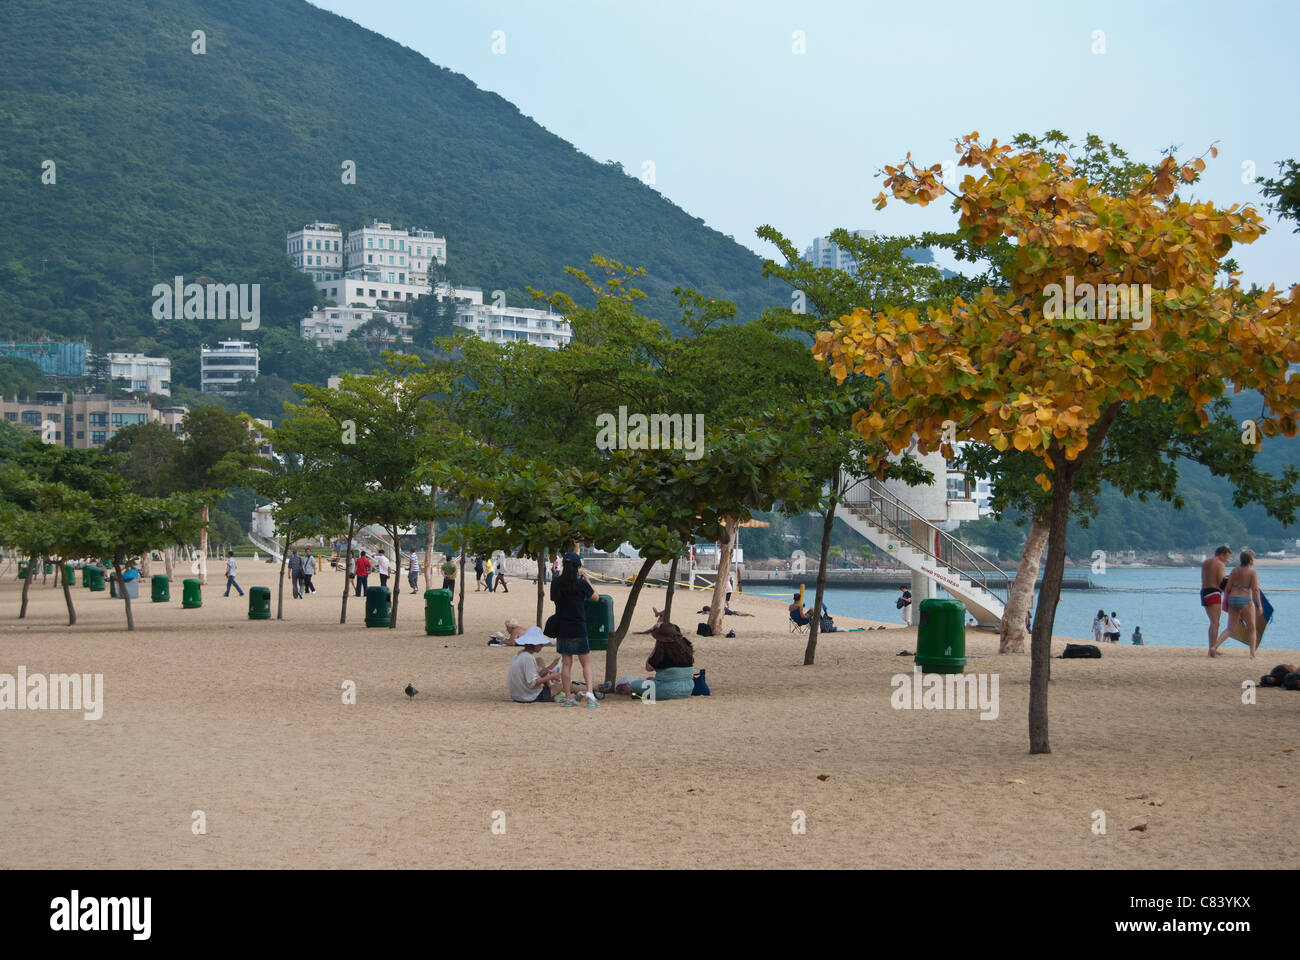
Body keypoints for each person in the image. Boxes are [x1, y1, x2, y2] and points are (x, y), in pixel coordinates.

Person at [549, 552, 598, 707]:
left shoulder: (556, 582)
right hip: (579, 626)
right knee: (586, 663)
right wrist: (588, 581)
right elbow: (595, 597)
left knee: (566, 663)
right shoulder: (581, 583)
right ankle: (590, 695)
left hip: (562, 627)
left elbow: (553, 599)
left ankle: (569, 698)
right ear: (578, 567)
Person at [603, 621, 696, 700]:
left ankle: (631, 690)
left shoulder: (661, 651)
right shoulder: (686, 646)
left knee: (634, 684)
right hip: (688, 689)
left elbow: (648, 667)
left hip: (667, 691)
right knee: (650, 680)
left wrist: (656, 646)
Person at [1213, 550, 1264, 658]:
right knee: (1252, 628)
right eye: (1253, 558)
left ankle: (1214, 647)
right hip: (1246, 599)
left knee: (1230, 628)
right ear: (1250, 560)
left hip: (1233, 599)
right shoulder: (1252, 572)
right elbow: (1255, 589)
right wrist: (1259, 605)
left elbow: (1228, 587)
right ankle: (1252, 654)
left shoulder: (1234, 570)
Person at [508, 633, 579, 703]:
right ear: (534, 644)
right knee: (566, 686)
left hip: (518, 695)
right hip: (528, 696)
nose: (542, 646)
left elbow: (537, 674)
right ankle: (589, 690)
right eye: (541, 644)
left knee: (539, 660)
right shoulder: (528, 658)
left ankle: (586, 689)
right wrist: (551, 676)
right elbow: (533, 683)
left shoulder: (520, 654)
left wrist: (553, 664)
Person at [1201, 545, 1231, 655]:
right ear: (1222, 554)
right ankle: (1213, 649)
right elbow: (1221, 581)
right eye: (1226, 557)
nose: (1227, 560)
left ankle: (1211, 647)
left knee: (1212, 622)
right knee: (1215, 623)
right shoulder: (1220, 564)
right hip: (1214, 592)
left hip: (1204, 591)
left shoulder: (1206, 562)